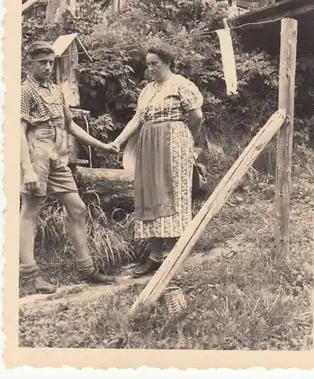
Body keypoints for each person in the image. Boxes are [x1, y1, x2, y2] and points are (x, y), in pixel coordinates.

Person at [20, 41, 116, 294]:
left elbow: (70, 126)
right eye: (42, 62)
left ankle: (87, 268)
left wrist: (102, 145)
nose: (48, 67)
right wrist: (28, 169)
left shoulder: (56, 90)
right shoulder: (25, 91)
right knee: (31, 210)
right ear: (30, 63)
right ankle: (30, 275)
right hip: (36, 151)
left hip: (58, 152)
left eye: (51, 62)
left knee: (77, 208)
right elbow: (18, 133)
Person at [110, 42, 203, 277]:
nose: (150, 68)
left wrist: (185, 137)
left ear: (168, 63)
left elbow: (196, 116)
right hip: (149, 144)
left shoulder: (181, 84)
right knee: (151, 194)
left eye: (155, 64)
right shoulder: (148, 90)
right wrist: (118, 141)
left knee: (171, 195)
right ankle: (154, 257)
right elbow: (136, 120)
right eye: (148, 64)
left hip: (174, 142)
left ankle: (174, 256)